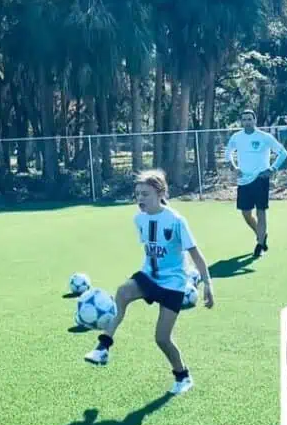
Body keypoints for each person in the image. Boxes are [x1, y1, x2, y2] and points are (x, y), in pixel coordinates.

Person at [84, 169, 213, 396]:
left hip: (173, 285)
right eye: (137, 194)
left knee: (162, 339)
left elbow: (194, 253)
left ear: (160, 193)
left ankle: (183, 376)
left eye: (145, 194)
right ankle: (103, 346)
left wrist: (208, 284)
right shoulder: (139, 219)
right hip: (148, 276)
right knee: (123, 292)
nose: (140, 199)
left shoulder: (176, 221)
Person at [223, 109, 287, 258]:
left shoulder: (265, 137)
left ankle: (259, 244)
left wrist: (272, 168)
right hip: (243, 180)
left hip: (260, 179)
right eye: (244, 119)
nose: (247, 122)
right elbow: (228, 154)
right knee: (246, 213)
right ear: (241, 121)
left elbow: (283, 153)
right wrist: (234, 167)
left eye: (250, 119)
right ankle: (261, 234)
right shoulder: (236, 137)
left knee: (261, 212)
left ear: (255, 120)